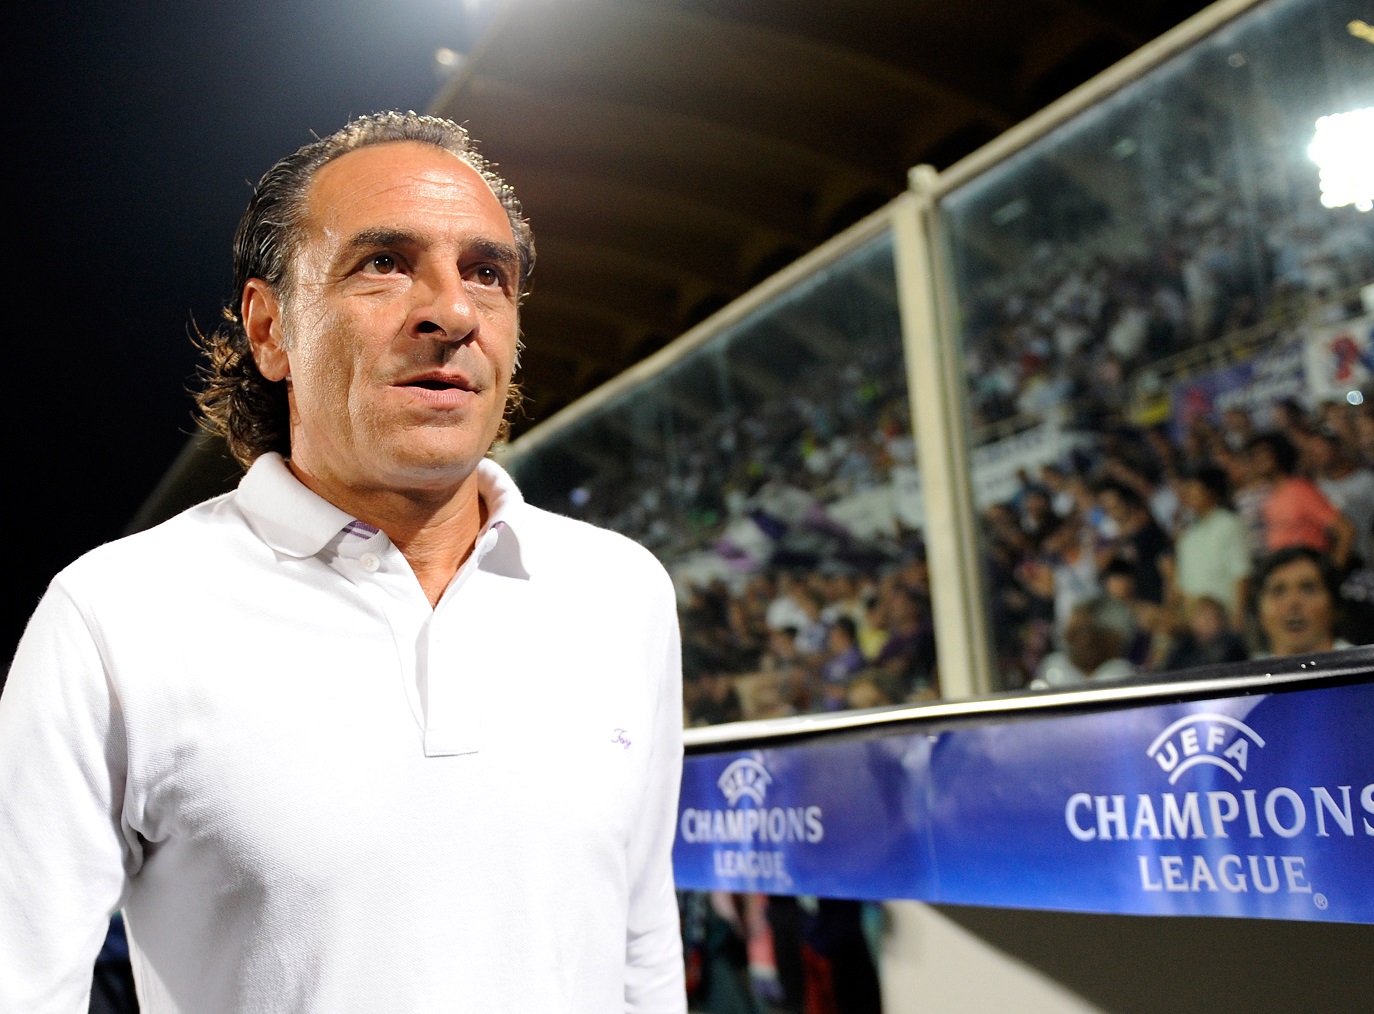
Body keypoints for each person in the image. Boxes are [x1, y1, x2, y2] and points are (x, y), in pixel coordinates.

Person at [0, 112, 686, 1012]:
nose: (452, 312)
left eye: (488, 273)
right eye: (385, 263)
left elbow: (639, 945)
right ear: (270, 328)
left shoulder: (621, 591)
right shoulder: (112, 618)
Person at [1252, 546, 1355, 658]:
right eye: (1278, 591)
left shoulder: (1363, 666)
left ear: (1334, 604)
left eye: (1308, 589)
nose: (1292, 602)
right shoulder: (1246, 673)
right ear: (1259, 610)